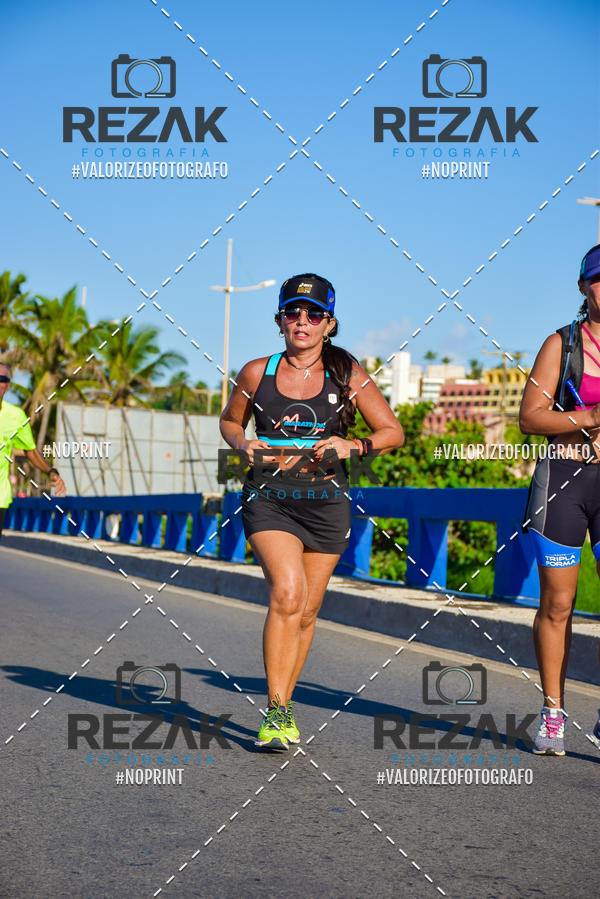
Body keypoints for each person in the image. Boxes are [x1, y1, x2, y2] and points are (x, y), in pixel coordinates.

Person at [220, 273, 405, 748]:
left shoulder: (348, 376)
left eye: (313, 313)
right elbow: (228, 420)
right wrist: (243, 442)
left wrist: (352, 444)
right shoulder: (256, 373)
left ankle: (287, 702)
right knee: (287, 592)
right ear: (279, 320)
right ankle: (277, 710)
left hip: (326, 505)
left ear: (329, 323)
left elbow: (391, 432)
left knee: (306, 611)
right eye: (293, 312)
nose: (302, 320)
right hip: (270, 500)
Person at [519, 245, 600, 756]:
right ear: (583, 288)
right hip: (565, 484)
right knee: (558, 603)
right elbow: (531, 418)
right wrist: (591, 418)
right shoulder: (561, 343)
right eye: (599, 280)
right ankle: (553, 713)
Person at [0, 361, 67, 538]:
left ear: (8, 386)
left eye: (2, 379)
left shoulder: (16, 417)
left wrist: (51, 472)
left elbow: (31, 451)